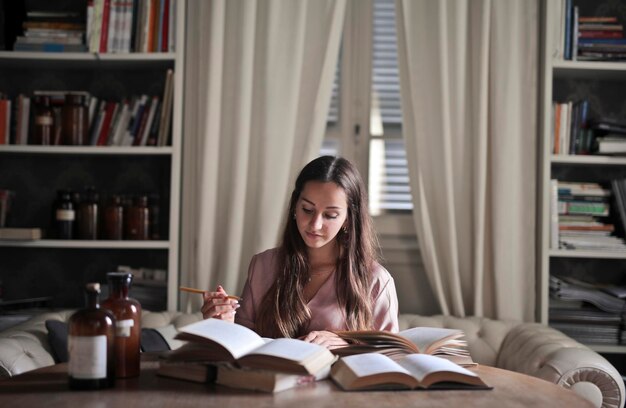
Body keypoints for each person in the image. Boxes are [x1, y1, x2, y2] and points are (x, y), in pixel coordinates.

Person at [201, 155, 399, 349]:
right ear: (295, 206)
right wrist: (222, 326)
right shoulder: (263, 266)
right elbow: (240, 348)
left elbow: (390, 359)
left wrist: (347, 344)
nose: (315, 224)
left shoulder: (375, 280)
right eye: (307, 209)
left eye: (330, 215)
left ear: (348, 219)